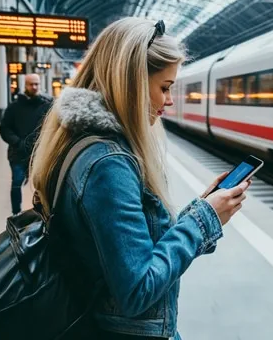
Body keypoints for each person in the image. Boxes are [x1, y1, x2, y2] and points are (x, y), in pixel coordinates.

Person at [29, 18, 251, 340]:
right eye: (164, 87)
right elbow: (137, 290)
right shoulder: (109, 165)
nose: (170, 100)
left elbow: (131, 249)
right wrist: (204, 219)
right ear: (130, 83)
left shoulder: (82, 143)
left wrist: (200, 211)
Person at [0, 73, 53, 215]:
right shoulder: (14, 107)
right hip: (18, 153)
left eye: (37, 84)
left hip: (38, 154)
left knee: (42, 185)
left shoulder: (47, 106)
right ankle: (16, 213)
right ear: (25, 85)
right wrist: (17, 142)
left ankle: (42, 212)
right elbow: (4, 128)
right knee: (17, 183)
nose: (34, 87)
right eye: (31, 84)